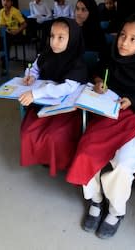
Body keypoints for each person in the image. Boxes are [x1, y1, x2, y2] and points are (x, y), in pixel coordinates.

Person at [66, 14, 135, 239]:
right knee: (86, 151)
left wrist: (134, 101)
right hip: (110, 116)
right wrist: (98, 83)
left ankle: (116, 210)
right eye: (123, 35)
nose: (124, 42)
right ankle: (96, 199)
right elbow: (99, 74)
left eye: (133, 39)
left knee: (123, 165)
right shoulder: (112, 56)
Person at [19, 17, 88, 176]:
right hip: (44, 105)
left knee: (54, 136)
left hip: (65, 109)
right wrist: (31, 76)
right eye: (52, 36)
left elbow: (67, 87)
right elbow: (34, 69)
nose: (54, 42)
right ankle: (42, 157)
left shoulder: (77, 61)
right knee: (28, 132)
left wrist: (36, 93)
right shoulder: (46, 54)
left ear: (72, 39)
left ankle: (56, 162)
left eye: (60, 38)